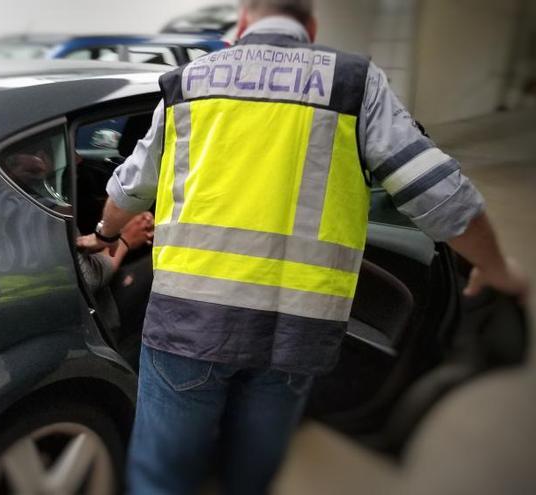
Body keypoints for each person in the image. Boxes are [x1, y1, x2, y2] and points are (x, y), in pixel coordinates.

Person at [76, 0, 530, 493]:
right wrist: (497, 268)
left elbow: (127, 192)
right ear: (310, 28)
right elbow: (441, 197)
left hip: (189, 321)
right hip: (296, 329)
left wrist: (103, 234)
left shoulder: (190, 83)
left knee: (163, 474)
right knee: (252, 469)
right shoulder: (354, 83)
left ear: (243, 24)